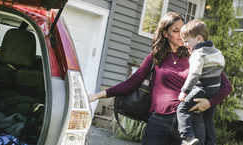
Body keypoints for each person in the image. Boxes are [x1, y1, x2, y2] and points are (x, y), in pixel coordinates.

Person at [88, 12, 232, 145]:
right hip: (158, 121)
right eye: (176, 31)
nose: (181, 35)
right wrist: (97, 95)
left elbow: (226, 86)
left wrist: (210, 102)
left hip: (191, 122)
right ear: (165, 33)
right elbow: (132, 82)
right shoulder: (156, 56)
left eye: (183, 31)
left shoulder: (197, 55)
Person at [177, 19, 225, 145]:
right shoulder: (215, 51)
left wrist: (185, 91)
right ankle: (211, 142)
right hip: (215, 89)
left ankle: (187, 137)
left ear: (199, 39)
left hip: (203, 88)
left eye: (186, 41)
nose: (184, 44)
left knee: (182, 108)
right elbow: (221, 66)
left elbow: (194, 75)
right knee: (208, 119)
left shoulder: (197, 53)